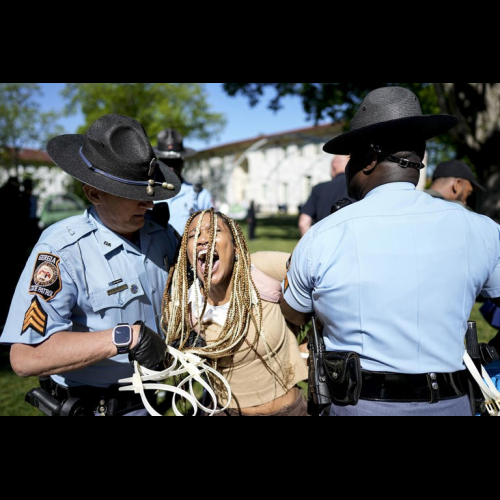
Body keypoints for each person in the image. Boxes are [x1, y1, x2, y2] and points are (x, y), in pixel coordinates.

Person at [280, 86, 500, 417]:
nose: (348, 169)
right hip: (454, 404)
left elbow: (291, 315)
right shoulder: (482, 229)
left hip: (357, 407)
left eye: (351, 158)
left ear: (368, 160)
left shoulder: (323, 236)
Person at [0, 114, 182, 416]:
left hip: (158, 400)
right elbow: (25, 358)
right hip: (97, 408)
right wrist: (124, 337)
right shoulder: (61, 250)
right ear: (94, 193)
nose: (148, 204)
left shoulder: (161, 234)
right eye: (133, 195)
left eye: (148, 193)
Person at [162, 209, 308, 416]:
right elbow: (166, 363)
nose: (204, 239)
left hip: (290, 411)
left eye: (214, 231)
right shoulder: (185, 305)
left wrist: (312, 340)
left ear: (236, 246)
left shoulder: (259, 269)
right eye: (194, 235)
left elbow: (321, 274)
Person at [155, 129, 213, 235]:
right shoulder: (148, 192)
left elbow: (211, 227)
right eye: (166, 162)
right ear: (159, 163)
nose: (171, 167)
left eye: (175, 162)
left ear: (182, 163)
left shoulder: (199, 194)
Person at [299, 155, 353, 236]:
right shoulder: (358, 188)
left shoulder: (319, 188)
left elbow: (303, 223)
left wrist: (310, 244)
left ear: (334, 165)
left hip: (323, 242)